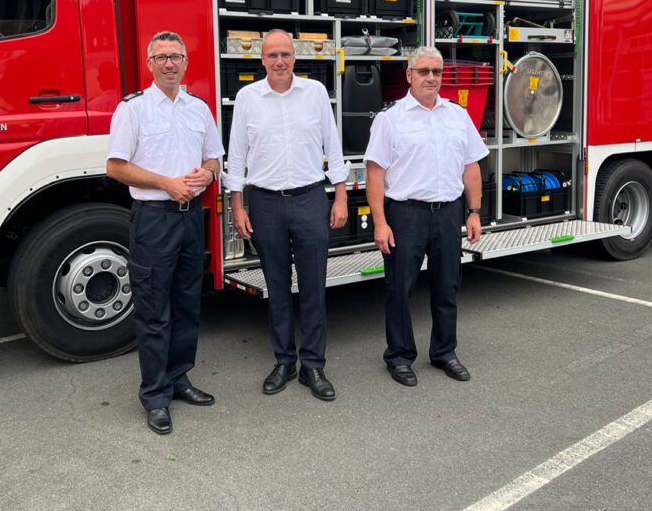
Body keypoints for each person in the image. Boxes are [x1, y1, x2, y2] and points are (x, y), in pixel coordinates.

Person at [107, 31, 224, 434]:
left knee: (188, 303)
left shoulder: (198, 108)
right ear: (150, 63)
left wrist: (208, 173)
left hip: (192, 217)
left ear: (186, 62)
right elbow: (116, 166)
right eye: (162, 57)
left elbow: (214, 157)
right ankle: (155, 396)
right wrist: (165, 183)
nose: (170, 63)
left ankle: (179, 379)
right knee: (155, 309)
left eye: (177, 56)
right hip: (154, 219)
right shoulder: (134, 110)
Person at [226, 29, 349, 401]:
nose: (279, 61)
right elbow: (237, 155)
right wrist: (237, 205)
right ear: (261, 60)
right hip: (265, 203)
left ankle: (313, 364)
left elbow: (334, 146)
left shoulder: (314, 94)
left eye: (285, 54)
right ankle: (284, 361)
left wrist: (340, 196)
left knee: (313, 287)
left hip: (311, 198)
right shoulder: (247, 98)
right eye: (271, 55)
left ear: (295, 58)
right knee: (277, 287)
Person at [365, 46, 488, 386]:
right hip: (405, 215)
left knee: (448, 286)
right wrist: (380, 222)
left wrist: (474, 212)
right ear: (409, 76)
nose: (431, 78)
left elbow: (471, 166)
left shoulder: (457, 115)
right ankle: (400, 356)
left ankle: (444, 352)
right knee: (399, 288)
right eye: (423, 72)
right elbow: (375, 173)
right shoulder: (390, 120)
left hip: (449, 213)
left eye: (436, 72)